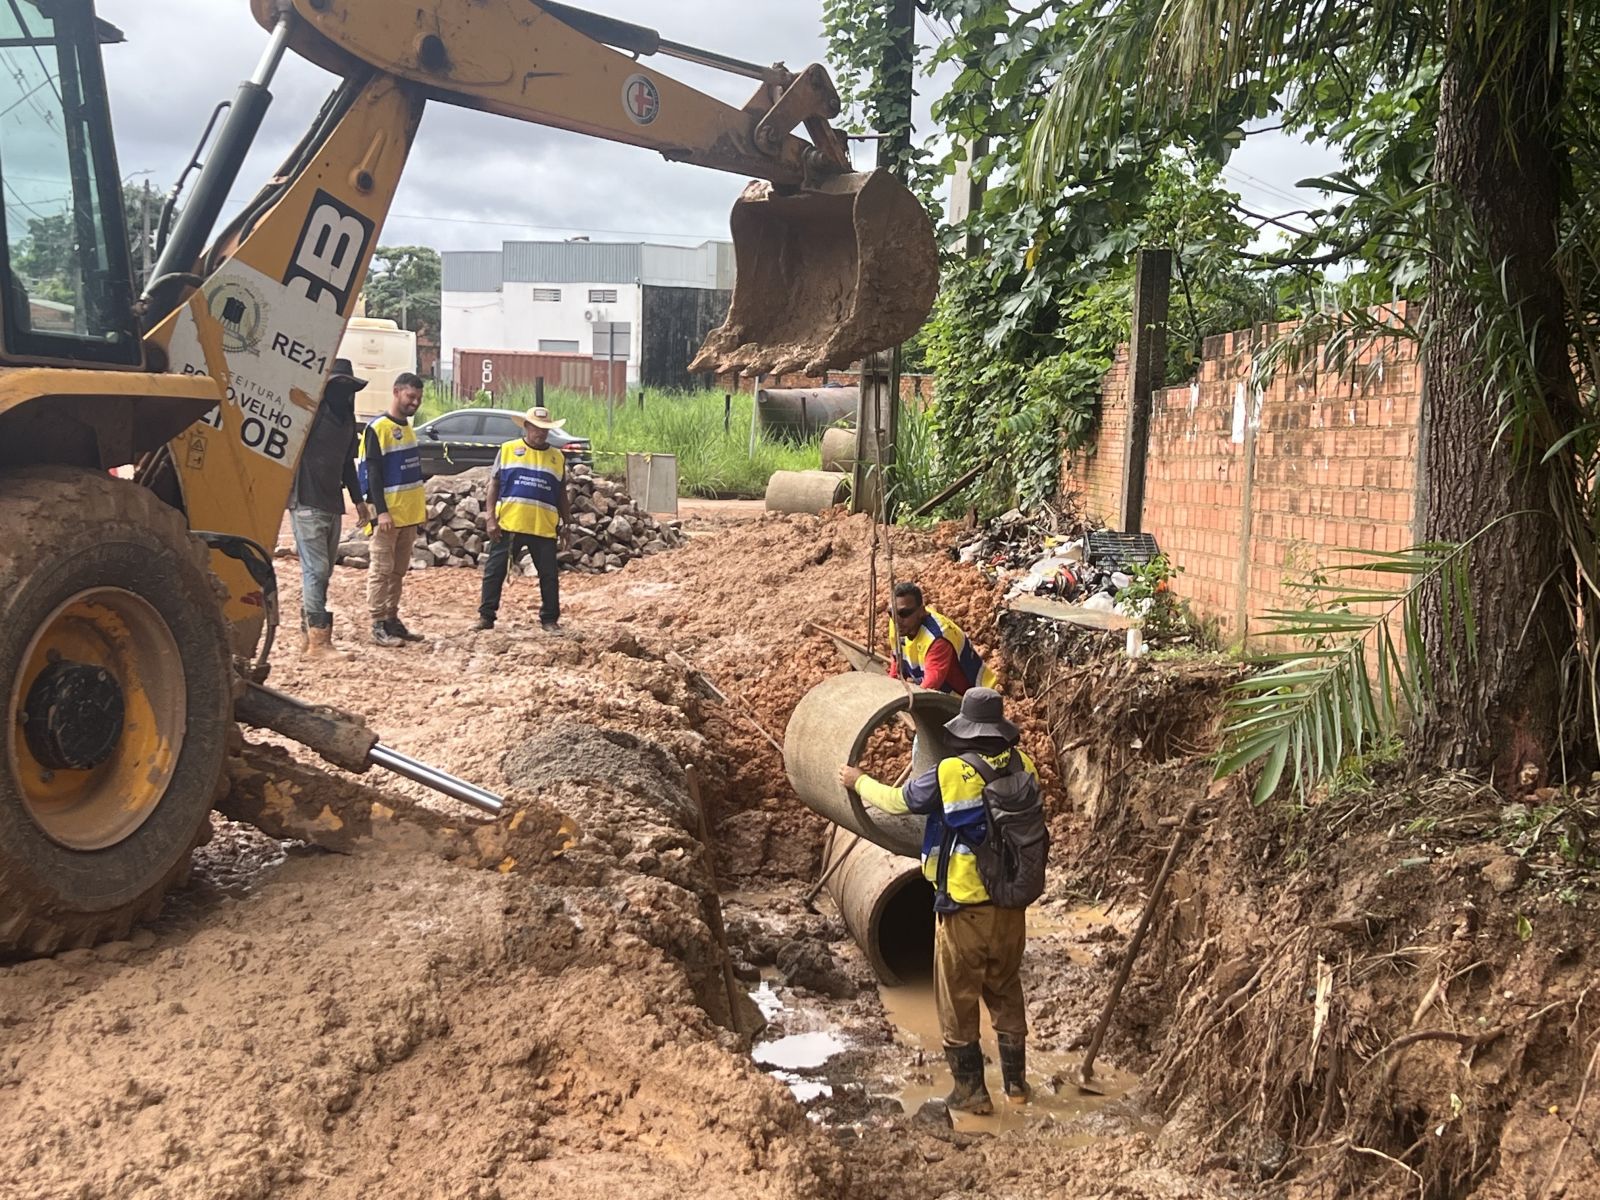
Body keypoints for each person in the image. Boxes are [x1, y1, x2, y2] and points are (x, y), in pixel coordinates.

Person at [838, 687, 1038, 1114]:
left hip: (964, 909)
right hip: (1012, 905)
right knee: (1005, 989)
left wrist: (859, 781)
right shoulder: (1026, 766)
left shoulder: (951, 772)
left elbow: (899, 802)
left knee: (957, 998)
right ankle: (1017, 1088)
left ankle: (971, 1093)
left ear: (967, 732)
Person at [289, 358, 371, 659]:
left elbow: (348, 465)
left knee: (321, 573)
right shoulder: (311, 418)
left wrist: (359, 501)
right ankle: (319, 642)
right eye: (339, 386)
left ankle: (308, 638)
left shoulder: (347, 423)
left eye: (349, 388)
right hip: (306, 500)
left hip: (332, 502)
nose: (345, 393)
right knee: (317, 569)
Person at [477, 406, 570, 632]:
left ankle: (549, 619)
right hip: (510, 524)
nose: (540, 433)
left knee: (548, 575)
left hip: (543, 526)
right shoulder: (509, 449)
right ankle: (486, 617)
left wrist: (567, 524)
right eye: (536, 428)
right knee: (495, 571)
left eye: (545, 429)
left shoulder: (557, 457)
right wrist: (490, 517)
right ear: (526, 427)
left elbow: (561, 493)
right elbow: (495, 484)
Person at [357, 372, 427, 647]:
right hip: (387, 516)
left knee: (398, 572)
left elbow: (411, 473)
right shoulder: (378, 429)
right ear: (397, 392)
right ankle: (377, 621)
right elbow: (372, 473)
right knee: (381, 570)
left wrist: (420, 509)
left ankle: (391, 618)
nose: (415, 403)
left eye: (419, 398)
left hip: (408, 515)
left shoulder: (408, 428)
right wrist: (381, 511)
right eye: (411, 397)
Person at [887, 582, 997, 695]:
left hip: (972, 697)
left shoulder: (937, 639)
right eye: (891, 613)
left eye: (904, 613)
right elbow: (897, 661)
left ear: (921, 612)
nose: (897, 620)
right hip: (941, 687)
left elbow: (929, 687)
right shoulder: (898, 625)